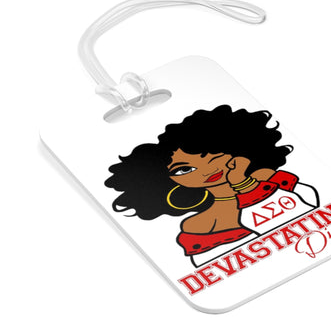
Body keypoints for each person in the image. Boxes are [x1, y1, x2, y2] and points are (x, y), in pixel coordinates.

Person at [105, 105, 319, 267]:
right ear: (169, 181)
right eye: (184, 170)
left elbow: (308, 209)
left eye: (213, 156)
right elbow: (212, 269)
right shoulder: (198, 227)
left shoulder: (267, 179)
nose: (208, 170)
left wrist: (243, 183)